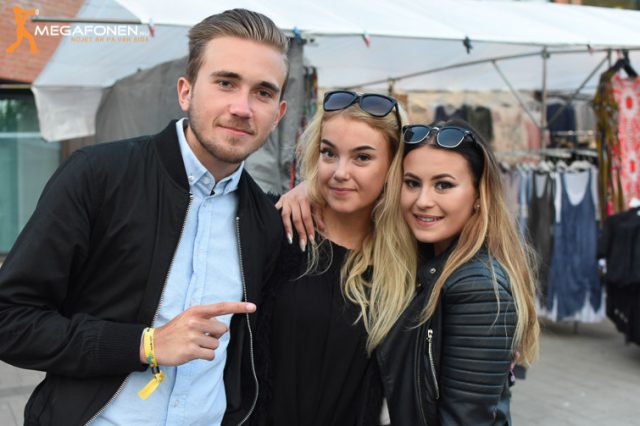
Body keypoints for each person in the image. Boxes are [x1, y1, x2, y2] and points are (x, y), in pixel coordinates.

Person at [0, 9, 288, 426]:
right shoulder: (98, 176)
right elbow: (10, 319)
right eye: (226, 82)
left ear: (278, 113)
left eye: (263, 92)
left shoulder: (267, 222)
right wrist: (144, 344)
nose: (242, 107)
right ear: (186, 92)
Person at [261, 90, 416, 426]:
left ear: (394, 165)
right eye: (329, 153)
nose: (340, 172)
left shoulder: (408, 261)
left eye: (362, 157)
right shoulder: (281, 228)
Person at [376, 120, 539, 425]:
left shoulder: (477, 286)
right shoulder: (427, 261)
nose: (423, 201)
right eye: (412, 183)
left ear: (479, 195)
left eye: (444, 185)